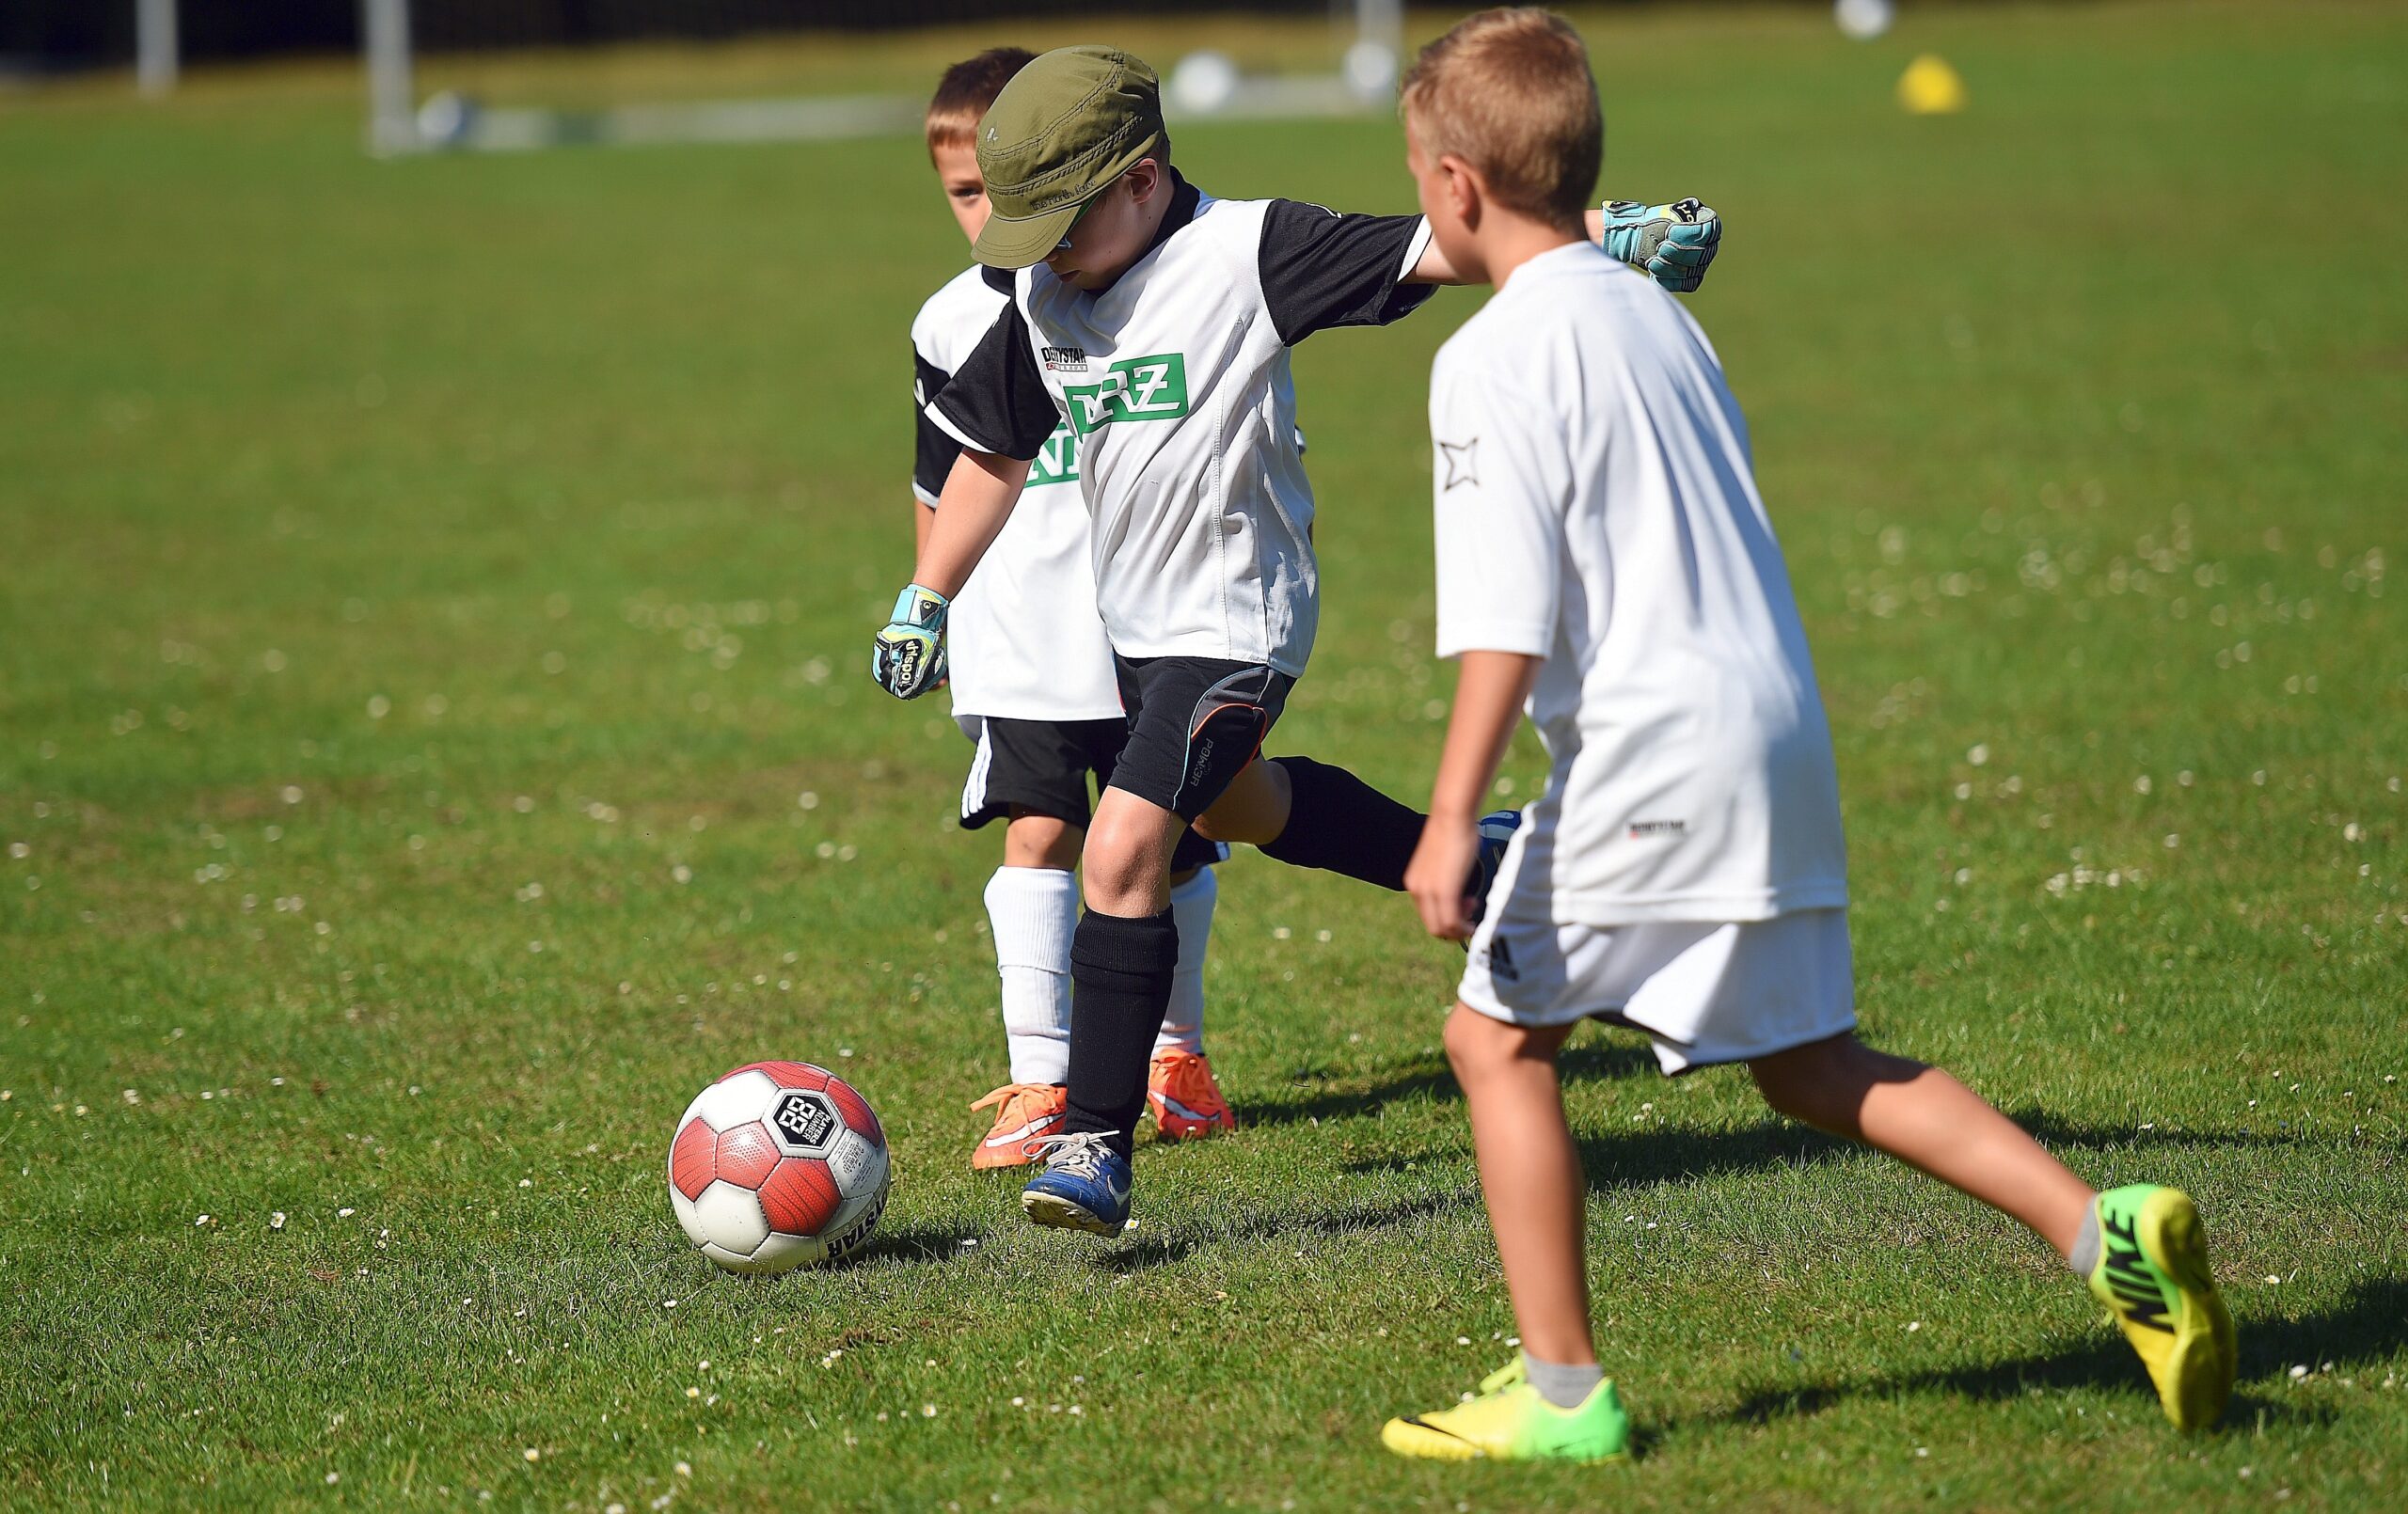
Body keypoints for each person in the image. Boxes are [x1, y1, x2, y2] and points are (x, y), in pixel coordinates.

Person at [1373, 8, 2235, 1464]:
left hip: (1650, 745)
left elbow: (1506, 615)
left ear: (1456, 186)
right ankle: (2101, 1231)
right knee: (1806, 1060)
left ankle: (1563, 1395)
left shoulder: (1493, 355)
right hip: (1773, 726)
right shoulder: (1660, 309)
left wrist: (1453, 809)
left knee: (1492, 1035)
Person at [874, 41, 1722, 1238]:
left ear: (1140, 180)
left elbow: (1437, 241)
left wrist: (1610, 234)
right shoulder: (1043, 291)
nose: (1046, 252)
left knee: (1120, 850)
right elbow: (994, 454)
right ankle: (1482, 860)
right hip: (1135, 625)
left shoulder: (1246, 253)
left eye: (1062, 221)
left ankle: (1095, 1141)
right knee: (1237, 807)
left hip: (1236, 620)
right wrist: (927, 593)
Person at [911, 47, 1235, 1172]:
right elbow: (945, 480)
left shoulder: (1161, 286)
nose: (989, 215)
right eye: (965, 193)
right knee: (1041, 831)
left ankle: (1175, 1054)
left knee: (1172, 842)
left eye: (1004, 191)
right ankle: (1042, 1073)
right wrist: (929, 607)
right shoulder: (950, 323)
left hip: (1147, 627)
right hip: (1019, 637)